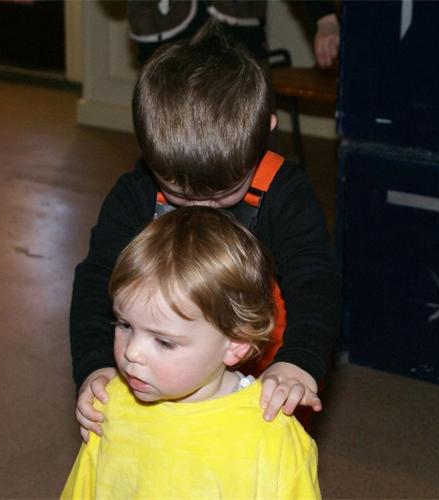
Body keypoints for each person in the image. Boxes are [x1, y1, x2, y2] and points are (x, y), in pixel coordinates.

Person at [70, 26, 340, 442]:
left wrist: (299, 361)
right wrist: (95, 364)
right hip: (164, 353)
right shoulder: (136, 193)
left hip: (264, 358)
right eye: (178, 193)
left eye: (221, 193)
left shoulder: (285, 194)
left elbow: (316, 280)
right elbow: (95, 280)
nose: (199, 209)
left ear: (265, 133)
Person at [61, 207, 320, 499]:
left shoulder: (271, 433)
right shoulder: (108, 406)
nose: (132, 353)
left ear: (235, 343)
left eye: (164, 342)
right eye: (125, 325)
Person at [128, 0, 340, 68]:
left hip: (238, 43)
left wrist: (325, 18)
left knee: (248, 141)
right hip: (164, 45)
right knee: (167, 142)